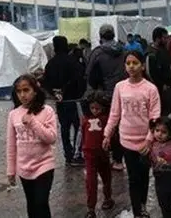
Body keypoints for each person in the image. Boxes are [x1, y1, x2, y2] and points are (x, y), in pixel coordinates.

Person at [103, 51, 161, 218]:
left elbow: (155, 116)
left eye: (135, 63)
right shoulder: (120, 87)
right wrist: (107, 134)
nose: (131, 66)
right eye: (128, 63)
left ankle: (142, 205)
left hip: (145, 143)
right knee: (133, 178)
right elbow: (115, 113)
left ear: (142, 66)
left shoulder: (150, 89)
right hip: (126, 141)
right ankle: (137, 212)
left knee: (143, 177)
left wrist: (149, 139)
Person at [7, 74, 57, 218]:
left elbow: (51, 138)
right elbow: (11, 145)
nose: (23, 95)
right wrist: (11, 170)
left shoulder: (47, 111)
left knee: (41, 203)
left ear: (35, 91)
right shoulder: (13, 114)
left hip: (44, 165)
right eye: (19, 91)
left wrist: (33, 122)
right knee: (31, 204)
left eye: (26, 90)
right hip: (24, 168)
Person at [86, 24, 126, 170]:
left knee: (104, 125)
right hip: (122, 93)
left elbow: (89, 74)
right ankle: (118, 160)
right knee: (120, 127)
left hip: (104, 96)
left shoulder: (97, 53)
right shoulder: (124, 50)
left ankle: (104, 157)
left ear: (101, 36)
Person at [42, 35, 86, 166]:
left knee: (64, 128)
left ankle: (68, 155)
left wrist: (55, 94)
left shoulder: (50, 64)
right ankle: (77, 154)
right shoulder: (73, 61)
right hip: (75, 100)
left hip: (60, 102)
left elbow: (45, 82)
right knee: (78, 127)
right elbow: (81, 79)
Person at [146, 27, 171, 136]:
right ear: (158, 38)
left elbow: (168, 67)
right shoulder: (151, 54)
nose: (166, 40)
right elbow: (150, 73)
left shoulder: (163, 50)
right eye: (164, 37)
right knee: (162, 114)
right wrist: (160, 85)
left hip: (169, 88)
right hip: (160, 90)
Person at [81, 91, 115, 218]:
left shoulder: (107, 120)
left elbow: (112, 135)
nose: (95, 111)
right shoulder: (85, 120)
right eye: (92, 108)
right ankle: (91, 208)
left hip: (103, 154)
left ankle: (108, 198)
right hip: (89, 155)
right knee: (91, 181)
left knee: (106, 178)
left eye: (98, 108)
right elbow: (83, 136)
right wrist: (82, 149)